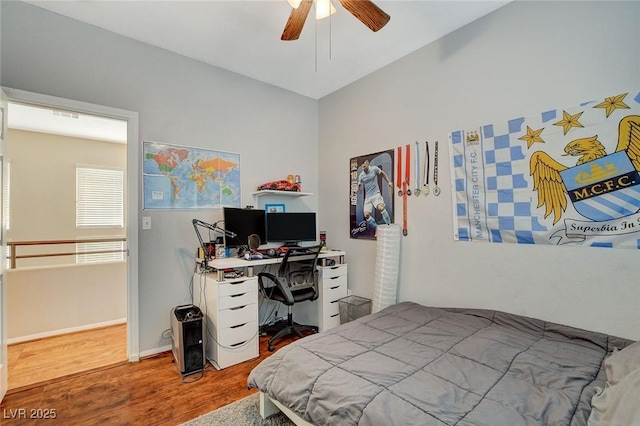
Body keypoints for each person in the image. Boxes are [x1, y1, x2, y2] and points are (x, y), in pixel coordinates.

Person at [357, 160, 392, 234]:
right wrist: (356, 190)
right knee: (366, 215)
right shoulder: (361, 175)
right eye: (362, 168)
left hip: (376, 194)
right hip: (368, 197)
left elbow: (382, 173)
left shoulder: (374, 169)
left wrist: (389, 182)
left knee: (381, 208)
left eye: (365, 167)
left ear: (368, 165)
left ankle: (389, 225)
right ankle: (376, 228)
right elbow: (359, 185)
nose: (364, 169)